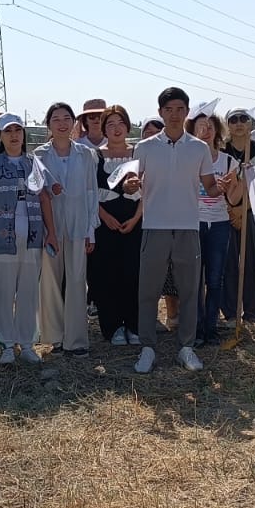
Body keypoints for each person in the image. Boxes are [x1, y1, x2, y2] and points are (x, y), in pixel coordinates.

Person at [134, 87, 226, 373]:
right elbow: (133, 182)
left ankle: (186, 346)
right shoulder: (145, 147)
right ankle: (147, 347)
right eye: (168, 110)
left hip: (188, 226)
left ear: (187, 113)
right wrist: (129, 187)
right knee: (148, 291)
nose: (174, 115)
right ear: (161, 112)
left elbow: (209, 186)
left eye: (179, 109)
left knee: (189, 290)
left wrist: (222, 186)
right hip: (154, 226)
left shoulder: (198, 148)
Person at [0, 114, 58, 364]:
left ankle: (27, 342)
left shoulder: (35, 163)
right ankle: (7, 343)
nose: (14, 135)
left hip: (31, 236)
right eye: (8, 131)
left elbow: (44, 198)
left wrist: (51, 233)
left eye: (18, 130)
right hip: (0, 238)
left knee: (29, 290)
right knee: (3, 291)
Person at [35, 103, 99, 356]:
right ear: (48, 125)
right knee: (50, 281)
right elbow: (36, 190)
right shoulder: (39, 155)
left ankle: (76, 340)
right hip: (49, 227)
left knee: (76, 280)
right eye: (55, 119)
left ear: (74, 122)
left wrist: (91, 229)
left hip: (78, 223)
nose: (62, 123)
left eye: (66, 118)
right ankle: (55, 337)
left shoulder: (85, 154)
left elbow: (91, 191)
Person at [91, 105, 144, 345]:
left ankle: (133, 325)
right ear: (103, 128)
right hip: (105, 224)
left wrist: (135, 219)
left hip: (135, 222)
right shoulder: (94, 155)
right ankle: (112, 327)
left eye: (120, 123)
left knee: (133, 274)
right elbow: (90, 191)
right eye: (110, 124)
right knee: (107, 275)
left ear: (128, 125)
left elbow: (148, 190)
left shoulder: (138, 153)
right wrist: (104, 216)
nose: (116, 128)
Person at [188, 110, 238, 347]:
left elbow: (237, 198)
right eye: (200, 126)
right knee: (195, 279)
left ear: (218, 131)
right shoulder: (188, 159)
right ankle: (197, 329)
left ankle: (211, 328)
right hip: (193, 221)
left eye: (210, 126)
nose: (205, 130)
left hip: (219, 223)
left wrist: (234, 185)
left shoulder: (229, 161)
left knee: (215, 279)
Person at [221, 108, 255, 327]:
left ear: (250, 124)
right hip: (225, 212)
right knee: (228, 263)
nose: (239, 124)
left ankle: (250, 314)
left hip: (251, 212)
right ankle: (230, 312)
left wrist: (244, 210)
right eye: (233, 120)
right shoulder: (222, 149)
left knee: (251, 263)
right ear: (228, 125)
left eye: (243, 119)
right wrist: (232, 210)